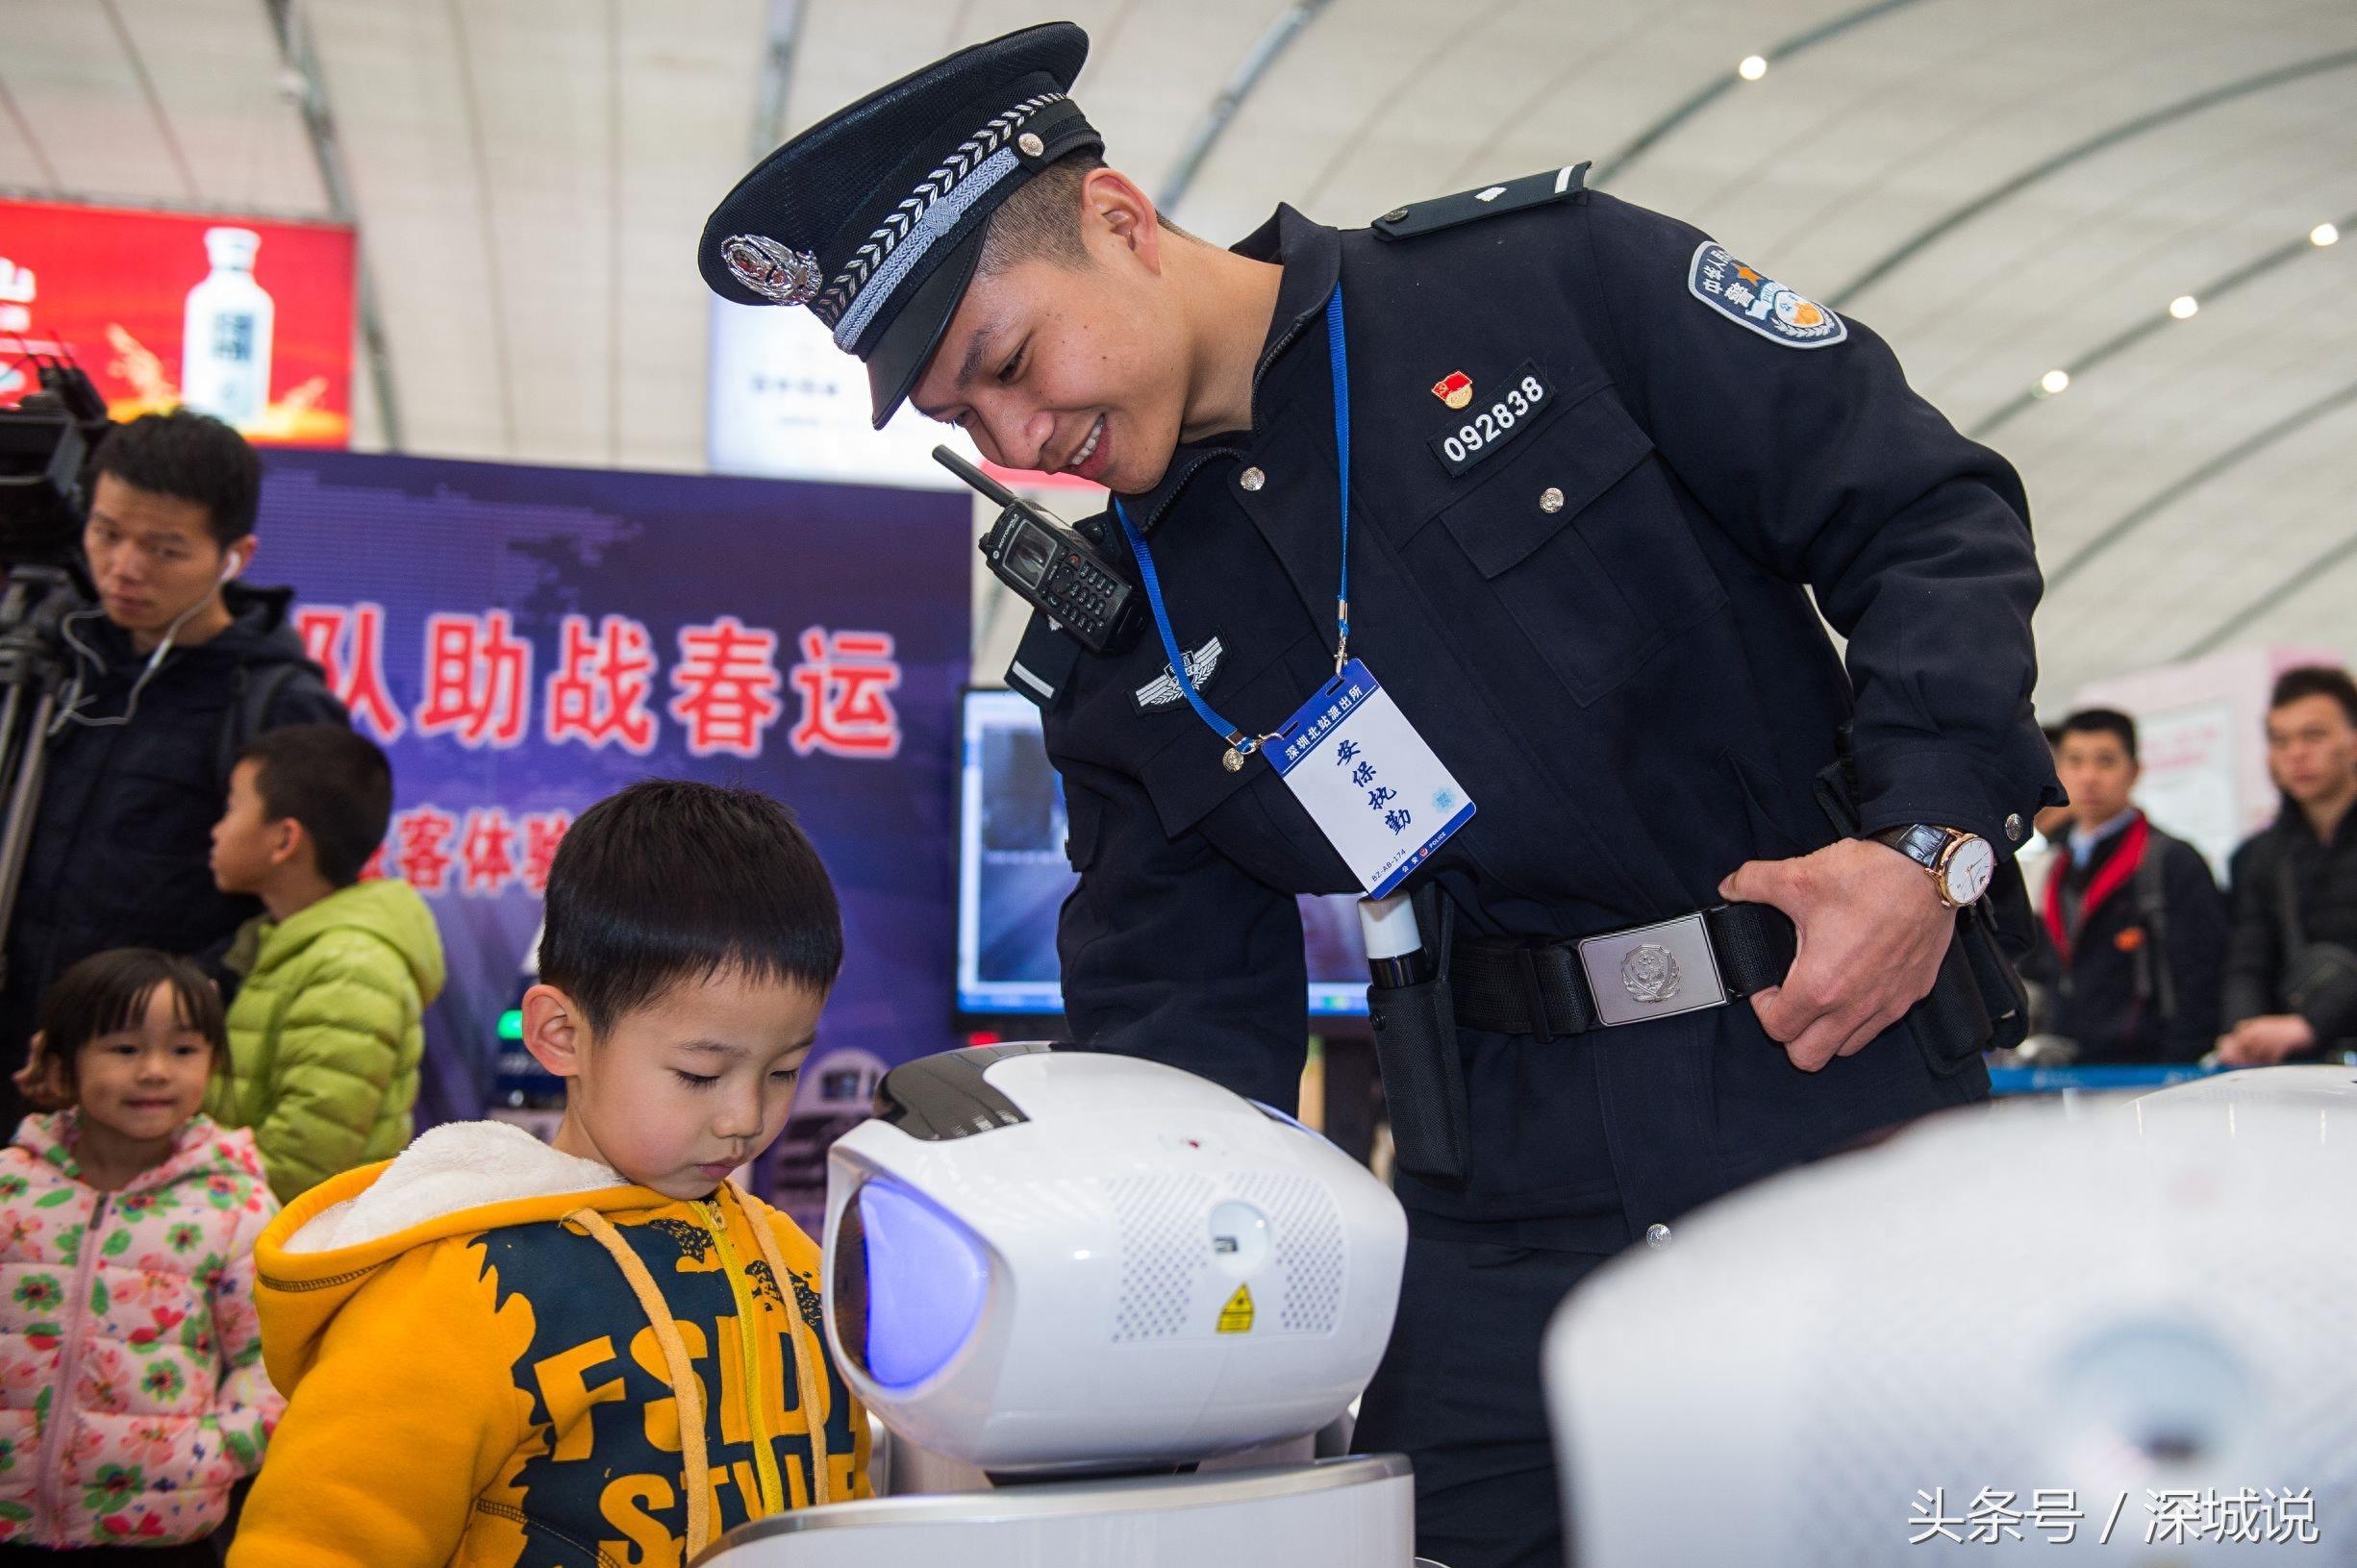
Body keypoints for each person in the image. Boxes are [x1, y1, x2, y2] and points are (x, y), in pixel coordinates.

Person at [697, 25, 2058, 1567]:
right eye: (964, 424)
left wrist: (1923, 847)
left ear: (1119, 222)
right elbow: (1177, 1043)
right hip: (1498, 1191)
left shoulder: (1547, 285)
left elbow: (1924, 515)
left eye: (1009, 363)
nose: (1017, 441)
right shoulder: (1112, 638)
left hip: (1831, 1084)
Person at [227, 780, 869, 1566]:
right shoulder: (457, 1285)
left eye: (782, 1070)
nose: (745, 1116)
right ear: (560, 1034)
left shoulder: (787, 1258)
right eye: (701, 1074)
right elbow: (320, 1540)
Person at [0, 411, 347, 1135]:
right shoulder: (47, 659)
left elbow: (295, 911)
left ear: (234, 554)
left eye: (165, 549)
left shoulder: (276, 704)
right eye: (106, 533)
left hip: (144, 1089)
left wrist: (141, 1027)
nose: (125, 567)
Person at [0, 949, 280, 1558]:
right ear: (62, 1061)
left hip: (160, 1525)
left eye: (183, 1050)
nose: (155, 1071)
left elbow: (271, 1361)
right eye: (124, 1049)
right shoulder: (10, 1189)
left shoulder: (236, 1207)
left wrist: (213, 1452)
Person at [202, 724, 443, 1204]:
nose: (216, 829)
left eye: (231, 807)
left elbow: (303, 1164)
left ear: (284, 840)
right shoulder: (288, 945)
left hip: (289, 1253)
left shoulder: (350, 967)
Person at [2034, 709, 2225, 1062]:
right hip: (2079, 1069)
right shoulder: (2056, 865)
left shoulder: (2171, 861)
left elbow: (2202, 975)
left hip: (2155, 1069)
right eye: (2074, 762)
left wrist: (2180, 1063)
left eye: (2106, 762)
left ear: (2134, 771)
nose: (2089, 777)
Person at [2219, 666, 2357, 1066]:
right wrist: (2244, 1030)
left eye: (2313, 736)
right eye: (2280, 740)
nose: (2295, 753)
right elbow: (2248, 958)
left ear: (2353, 741)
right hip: (2300, 1071)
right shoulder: (2258, 855)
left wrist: (2311, 1023)